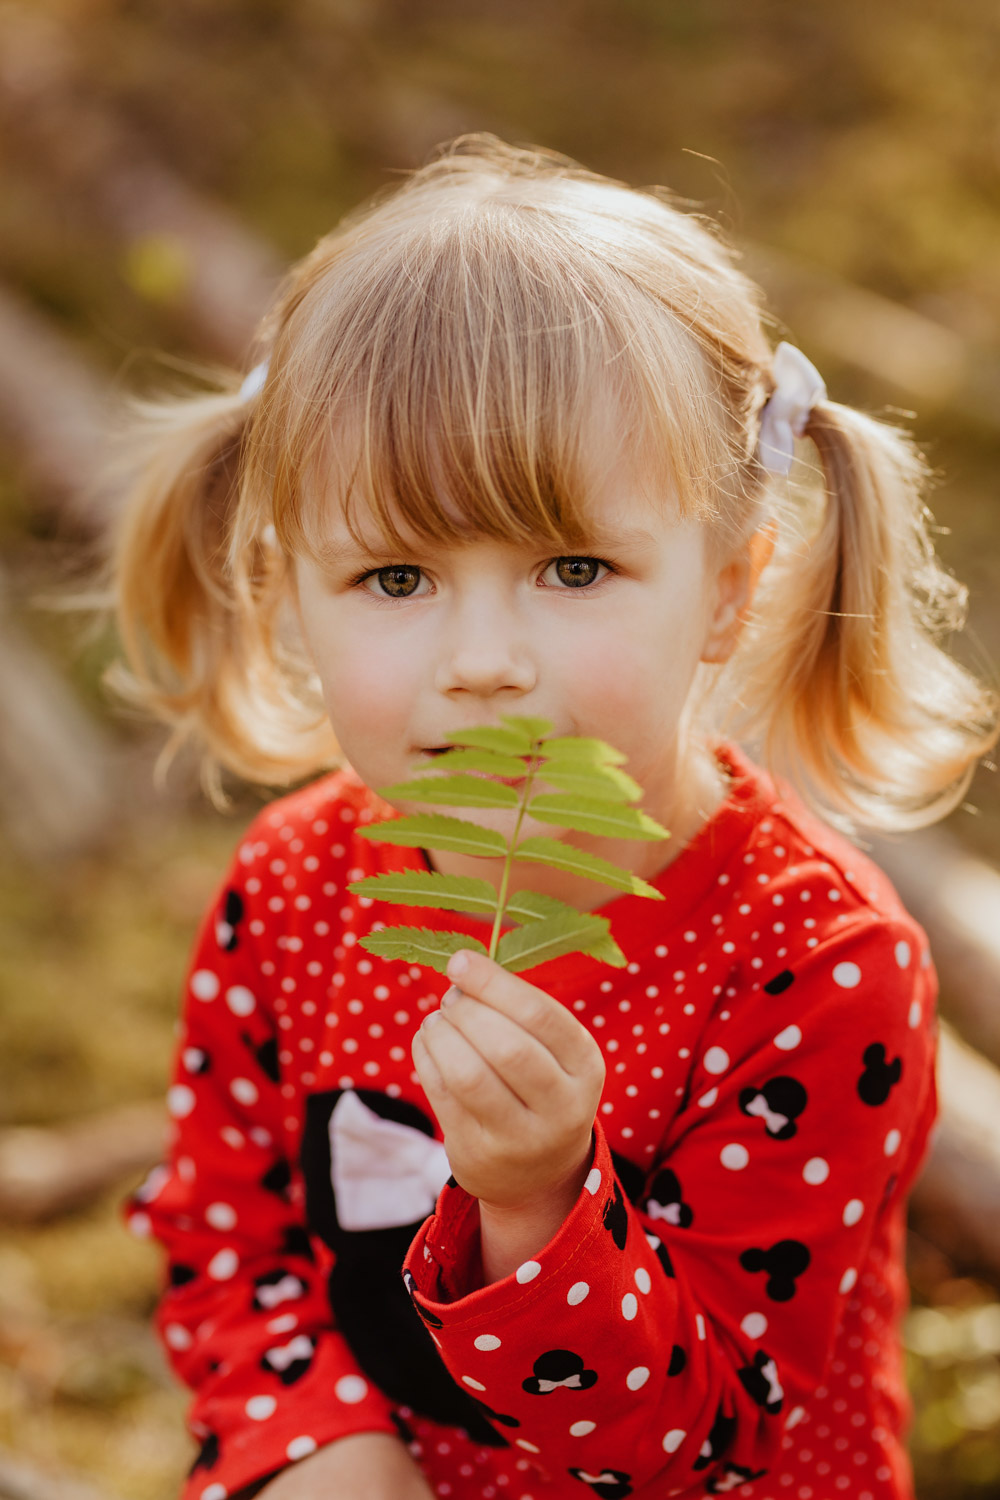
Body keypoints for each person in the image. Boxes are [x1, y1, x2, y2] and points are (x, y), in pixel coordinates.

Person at [111, 134, 998, 1500]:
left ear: (726, 587)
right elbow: (229, 1241)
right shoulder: (293, 888)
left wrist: (538, 1204)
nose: (483, 661)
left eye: (573, 568)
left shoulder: (817, 964)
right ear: (289, 593)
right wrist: (321, 1451)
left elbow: (710, 1434)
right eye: (395, 578)